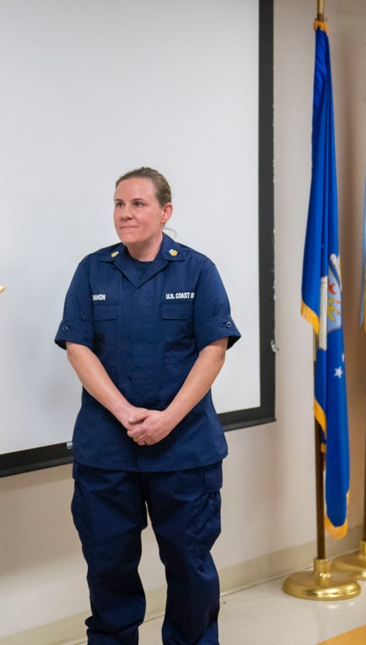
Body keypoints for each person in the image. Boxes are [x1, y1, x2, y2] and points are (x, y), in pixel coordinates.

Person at [54, 167, 239, 645]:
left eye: (137, 204)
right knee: (108, 567)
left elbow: (213, 349)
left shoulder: (197, 270)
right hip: (107, 453)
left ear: (165, 212)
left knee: (190, 568)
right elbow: (78, 348)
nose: (125, 213)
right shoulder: (92, 269)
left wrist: (167, 419)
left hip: (183, 451)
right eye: (118, 204)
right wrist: (123, 413)